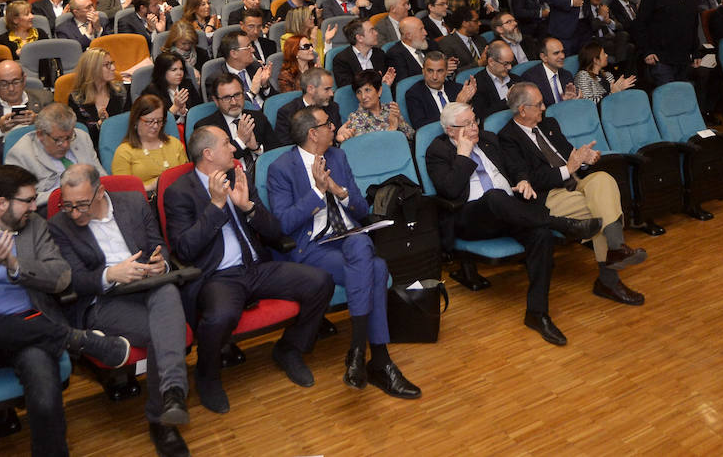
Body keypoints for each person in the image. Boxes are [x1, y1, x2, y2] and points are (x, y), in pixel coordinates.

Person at [0, 165, 132, 457]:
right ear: (1, 203)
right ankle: (74, 339)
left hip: (32, 335)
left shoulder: (34, 225)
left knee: (47, 399)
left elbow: (61, 278)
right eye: (29, 200)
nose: (36, 206)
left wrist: (15, 266)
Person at [162, 126, 335, 415]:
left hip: (256, 266)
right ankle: (207, 376)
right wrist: (216, 206)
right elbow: (185, 249)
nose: (233, 149)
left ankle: (289, 349)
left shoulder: (237, 176)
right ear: (208, 154)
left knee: (320, 282)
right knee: (220, 316)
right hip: (218, 276)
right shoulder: (179, 192)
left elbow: (274, 230)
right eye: (227, 143)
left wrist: (249, 207)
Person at [265, 108, 421, 399]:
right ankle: (378, 360)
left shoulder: (337, 156)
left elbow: (362, 210)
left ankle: (359, 351)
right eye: (328, 124)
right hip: (314, 246)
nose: (334, 127)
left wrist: (337, 190)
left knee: (362, 245)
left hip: (348, 237)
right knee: (376, 268)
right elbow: (283, 224)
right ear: (313, 133)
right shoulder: (281, 168)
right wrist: (316, 192)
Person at [425, 102, 599, 346]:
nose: (474, 127)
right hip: (471, 218)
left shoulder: (489, 139)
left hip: (509, 212)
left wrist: (522, 181)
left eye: (474, 121)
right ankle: (560, 224)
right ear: (450, 130)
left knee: (541, 235)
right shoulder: (438, 151)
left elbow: (516, 168)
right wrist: (464, 154)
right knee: (495, 196)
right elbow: (450, 189)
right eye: (466, 125)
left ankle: (537, 313)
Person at [49, 165, 191, 456]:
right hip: (104, 300)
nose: (74, 212)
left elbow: (159, 245)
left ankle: (172, 395)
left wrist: (159, 263)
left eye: (81, 205)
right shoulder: (58, 225)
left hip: (149, 286)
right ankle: (163, 415)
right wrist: (110, 274)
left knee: (166, 288)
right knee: (160, 332)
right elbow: (72, 278)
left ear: (101, 192)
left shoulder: (133, 202)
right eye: (68, 205)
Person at [497, 83, 645, 305]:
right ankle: (609, 278)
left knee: (605, 179)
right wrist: (569, 168)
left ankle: (615, 249)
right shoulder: (508, 138)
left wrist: (584, 159)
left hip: (576, 182)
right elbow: (530, 179)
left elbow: (569, 154)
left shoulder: (549, 124)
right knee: (601, 210)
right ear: (523, 110)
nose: (544, 107)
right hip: (549, 195)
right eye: (539, 105)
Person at [5, 103, 104, 209]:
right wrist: (68, 195)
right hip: (51, 207)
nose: (65, 145)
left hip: (93, 200)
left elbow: (101, 176)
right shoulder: (20, 154)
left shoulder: (82, 137)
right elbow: (20, 200)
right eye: (58, 140)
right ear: (40, 135)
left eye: (69, 137)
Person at [190, 73, 274, 174]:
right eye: (226, 98)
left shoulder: (258, 118)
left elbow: (276, 153)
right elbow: (212, 163)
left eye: (237, 95)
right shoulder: (206, 128)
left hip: (264, 176)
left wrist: (256, 148)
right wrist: (241, 141)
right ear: (216, 101)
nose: (234, 102)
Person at [110, 95, 187, 196]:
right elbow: (122, 191)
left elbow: (187, 178)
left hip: (179, 198)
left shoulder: (174, 144)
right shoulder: (124, 152)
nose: (155, 126)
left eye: (159, 121)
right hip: (144, 203)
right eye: (149, 121)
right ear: (136, 121)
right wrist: (151, 186)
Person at [67, 48, 132, 144]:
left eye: (112, 63)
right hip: (91, 149)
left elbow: (129, 126)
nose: (113, 68)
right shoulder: (76, 99)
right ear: (92, 69)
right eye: (107, 65)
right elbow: (79, 136)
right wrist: (99, 125)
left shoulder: (123, 91)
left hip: (121, 145)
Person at [342, 69, 413, 141]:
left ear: (379, 91)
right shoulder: (355, 118)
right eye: (359, 92)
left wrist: (399, 121)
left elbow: (412, 136)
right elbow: (367, 148)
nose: (363, 96)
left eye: (367, 90)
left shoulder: (390, 109)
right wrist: (391, 129)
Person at [141, 51, 196, 121]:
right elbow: (155, 122)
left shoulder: (187, 85)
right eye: (174, 70)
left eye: (181, 69)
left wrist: (184, 112)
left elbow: (198, 111)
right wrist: (175, 107)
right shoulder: (152, 91)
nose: (179, 73)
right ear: (162, 72)